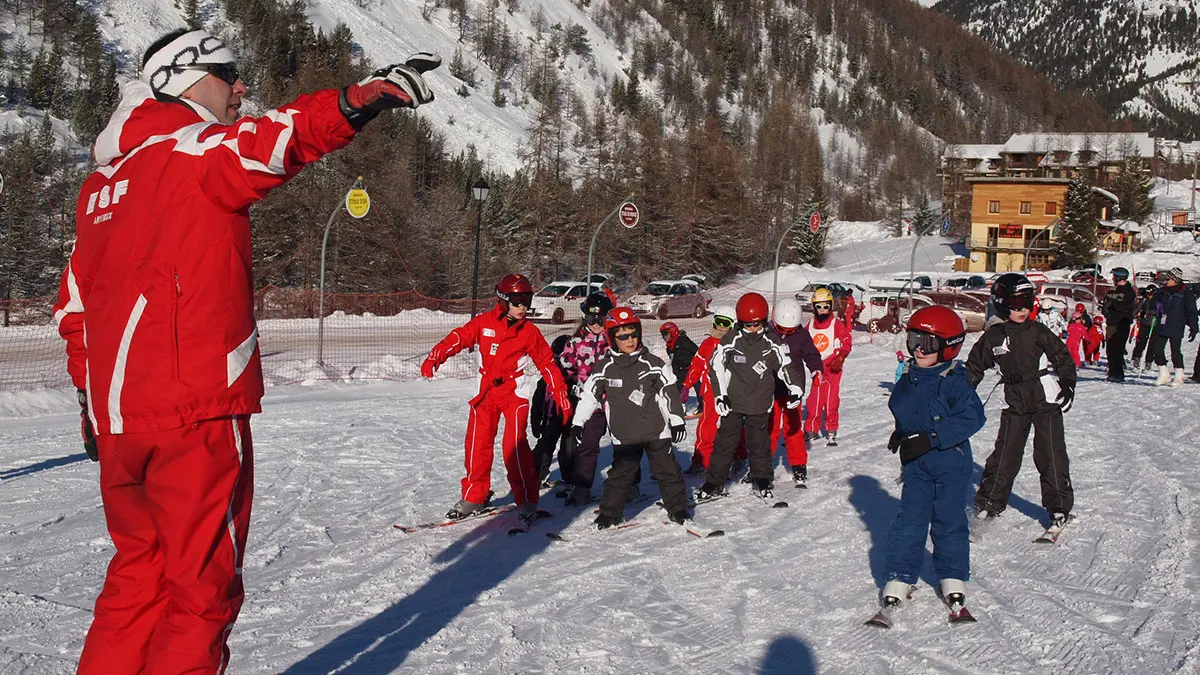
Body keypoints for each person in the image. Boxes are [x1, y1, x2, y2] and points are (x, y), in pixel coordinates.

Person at [50, 27, 439, 674]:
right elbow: (276, 140)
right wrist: (361, 97)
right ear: (180, 78)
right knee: (200, 597)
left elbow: (73, 310)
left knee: (134, 584)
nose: (241, 87)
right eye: (227, 72)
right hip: (194, 415)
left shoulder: (100, 189)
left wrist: (93, 399)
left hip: (121, 429)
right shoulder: (195, 149)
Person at [422, 273, 572, 521]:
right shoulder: (484, 323)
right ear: (503, 300)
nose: (523, 307)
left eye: (527, 301)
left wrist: (560, 393)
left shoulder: (529, 332)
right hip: (487, 391)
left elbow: (547, 363)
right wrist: (437, 354)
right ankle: (474, 496)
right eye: (517, 302)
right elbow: (460, 337)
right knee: (477, 444)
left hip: (514, 392)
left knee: (513, 446)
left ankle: (526, 498)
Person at [880, 305, 985, 615]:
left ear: (948, 346)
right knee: (909, 521)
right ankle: (900, 575)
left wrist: (933, 437)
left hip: (950, 462)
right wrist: (902, 432)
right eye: (914, 340)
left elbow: (972, 417)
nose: (918, 350)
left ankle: (952, 576)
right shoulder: (910, 376)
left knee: (948, 520)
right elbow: (899, 403)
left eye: (927, 344)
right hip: (917, 465)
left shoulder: (954, 381)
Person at [967, 273, 1076, 529]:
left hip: (1044, 399)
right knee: (1005, 453)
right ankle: (990, 502)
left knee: (1050, 452)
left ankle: (1058, 507)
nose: (1022, 309)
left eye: (1026, 302)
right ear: (1003, 303)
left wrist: (1068, 384)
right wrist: (963, 393)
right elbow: (974, 367)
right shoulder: (994, 336)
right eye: (1015, 303)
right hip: (1014, 400)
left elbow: (1063, 358)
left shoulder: (1037, 331)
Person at [571, 307, 692, 528]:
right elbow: (589, 396)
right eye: (623, 336)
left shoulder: (653, 364)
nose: (630, 340)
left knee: (667, 471)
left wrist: (676, 419)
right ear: (612, 338)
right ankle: (610, 513)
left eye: (634, 334)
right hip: (624, 434)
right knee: (620, 475)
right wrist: (579, 422)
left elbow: (669, 391)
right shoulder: (605, 368)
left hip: (656, 430)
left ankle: (678, 509)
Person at [696, 292, 805, 500]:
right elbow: (715, 366)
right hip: (733, 401)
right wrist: (720, 395)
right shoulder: (731, 339)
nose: (753, 329)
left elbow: (786, 365)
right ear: (740, 322)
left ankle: (762, 479)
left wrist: (796, 388)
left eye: (757, 324)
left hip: (760, 402)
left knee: (760, 443)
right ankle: (714, 482)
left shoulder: (770, 341)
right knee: (724, 443)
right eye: (748, 325)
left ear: (764, 321)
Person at [556, 290, 616, 504]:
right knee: (587, 444)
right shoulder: (576, 342)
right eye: (592, 318)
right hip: (590, 403)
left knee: (624, 442)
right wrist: (568, 385)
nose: (596, 323)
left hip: (616, 400)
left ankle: (629, 482)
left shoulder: (615, 341)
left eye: (601, 318)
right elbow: (565, 366)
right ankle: (581, 486)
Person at [680, 305, 747, 473]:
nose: (722, 328)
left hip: (734, 392)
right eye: (719, 322)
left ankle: (739, 455)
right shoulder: (708, 343)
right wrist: (687, 384)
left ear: (733, 325)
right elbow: (697, 364)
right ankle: (701, 459)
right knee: (706, 425)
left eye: (726, 323)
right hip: (711, 392)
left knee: (734, 424)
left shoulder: (738, 343)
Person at [768, 297, 824, 487]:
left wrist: (816, 369)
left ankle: (799, 464)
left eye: (789, 330)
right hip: (771, 390)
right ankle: (763, 465)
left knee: (793, 429)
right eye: (781, 328)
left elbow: (811, 354)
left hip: (794, 390)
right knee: (770, 429)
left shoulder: (801, 335)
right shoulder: (766, 333)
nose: (785, 333)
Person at [803, 287, 853, 446]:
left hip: (832, 367)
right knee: (814, 400)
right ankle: (811, 429)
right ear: (814, 307)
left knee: (831, 400)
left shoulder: (836, 324)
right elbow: (802, 342)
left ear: (831, 306)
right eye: (819, 306)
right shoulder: (810, 325)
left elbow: (846, 342)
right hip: (816, 367)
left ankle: (831, 429)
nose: (823, 310)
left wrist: (841, 356)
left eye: (826, 306)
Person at [530, 334, 571, 487]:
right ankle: (536, 476)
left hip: (569, 418)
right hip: (551, 417)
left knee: (569, 448)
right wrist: (535, 421)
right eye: (556, 359)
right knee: (544, 446)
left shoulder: (574, 379)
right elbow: (537, 402)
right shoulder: (546, 380)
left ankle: (571, 477)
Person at [1147, 268, 1198, 386]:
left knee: (1175, 351)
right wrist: (1155, 309)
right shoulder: (1162, 291)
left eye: (1168, 279)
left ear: (1176, 280)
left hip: (1177, 324)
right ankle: (1164, 373)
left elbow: (1191, 312)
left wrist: (1194, 327)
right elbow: (1154, 302)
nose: (1166, 281)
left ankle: (1179, 376)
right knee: (1157, 350)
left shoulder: (1185, 293)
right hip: (1163, 324)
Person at [1100, 267, 1136, 382]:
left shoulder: (1128, 291)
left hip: (1122, 323)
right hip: (1111, 322)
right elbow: (1106, 302)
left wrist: (1111, 305)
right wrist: (1105, 308)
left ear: (1119, 277)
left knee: (1118, 349)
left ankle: (1118, 374)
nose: (1112, 278)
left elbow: (1124, 306)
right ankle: (1112, 373)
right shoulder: (1113, 290)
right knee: (1110, 348)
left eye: (1114, 276)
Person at [660, 321, 700, 403]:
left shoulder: (682, 341)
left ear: (673, 332)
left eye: (666, 334)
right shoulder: (669, 347)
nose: (664, 337)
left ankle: (703, 407)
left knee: (699, 386)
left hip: (692, 369)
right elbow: (674, 361)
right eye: (663, 335)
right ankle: (679, 408)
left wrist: (694, 365)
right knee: (677, 390)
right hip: (681, 372)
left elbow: (697, 351)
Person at [1130, 283, 1158, 372]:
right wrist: (1133, 315)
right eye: (1147, 294)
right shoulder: (1144, 299)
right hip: (1144, 323)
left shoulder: (1159, 300)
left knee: (1152, 344)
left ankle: (1149, 362)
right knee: (1141, 342)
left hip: (1155, 324)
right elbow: (1138, 308)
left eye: (1150, 294)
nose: (1149, 296)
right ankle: (1136, 358)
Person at [1065, 303, 1090, 368]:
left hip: (1076, 341)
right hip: (1069, 341)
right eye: (1077, 319)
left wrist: (1087, 339)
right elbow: (1066, 331)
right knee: (1068, 351)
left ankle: (1077, 364)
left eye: (1079, 318)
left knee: (1075, 352)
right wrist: (1063, 334)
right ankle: (1068, 363)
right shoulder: (1070, 326)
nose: (1079, 320)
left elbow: (1085, 333)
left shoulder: (1081, 327)